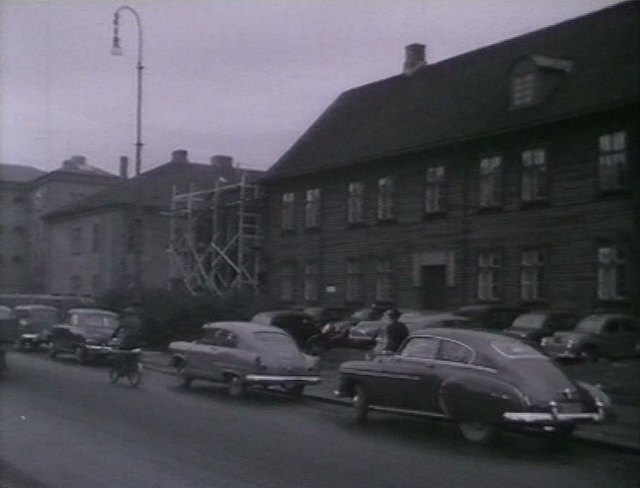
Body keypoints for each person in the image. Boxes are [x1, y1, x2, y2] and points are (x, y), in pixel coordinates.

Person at [110, 306, 144, 373]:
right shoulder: (138, 321)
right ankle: (131, 365)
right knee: (134, 353)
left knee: (121, 352)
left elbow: (118, 329)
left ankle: (121, 368)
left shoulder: (124, 321)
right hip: (137, 341)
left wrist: (113, 336)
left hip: (127, 340)